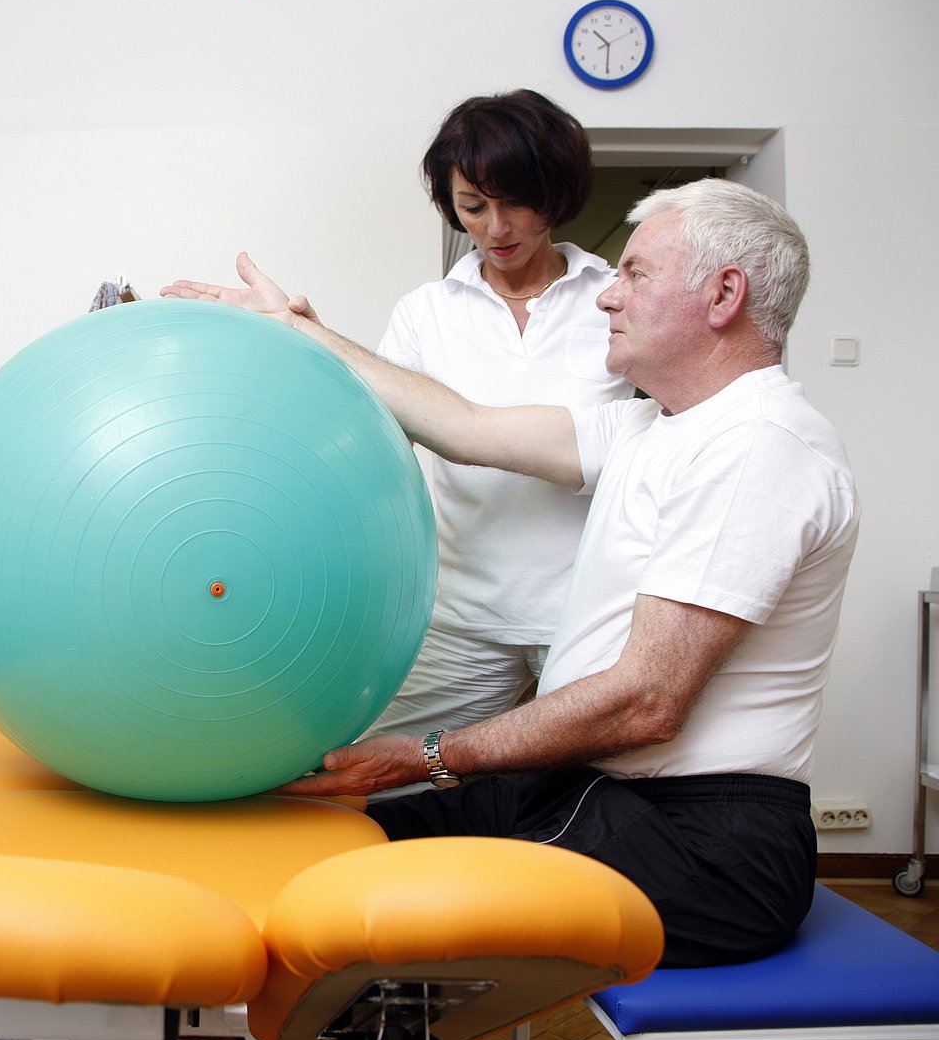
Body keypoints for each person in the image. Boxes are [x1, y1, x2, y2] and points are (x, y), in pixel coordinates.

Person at [161, 178, 860, 966]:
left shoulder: (758, 444)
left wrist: (427, 752)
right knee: (337, 837)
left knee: (370, 902)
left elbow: (647, 702)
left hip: (703, 844)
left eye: (635, 274)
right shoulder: (651, 426)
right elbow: (466, 427)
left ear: (724, 294)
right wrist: (301, 333)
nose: (607, 296)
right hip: (601, 792)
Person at [364, 91, 632, 757]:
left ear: (556, 193)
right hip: (463, 614)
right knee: (379, 771)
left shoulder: (615, 300)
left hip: (589, 612)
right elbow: (377, 438)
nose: (496, 228)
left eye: (516, 202)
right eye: (473, 206)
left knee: (599, 794)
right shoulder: (425, 313)